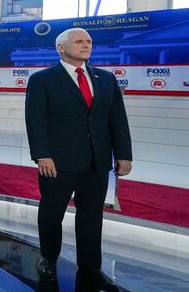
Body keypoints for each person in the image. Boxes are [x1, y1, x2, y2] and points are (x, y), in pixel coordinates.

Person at [25, 28, 132, 291]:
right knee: (51, 214)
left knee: (91, 217)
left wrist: (123, 154)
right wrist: (42, 155)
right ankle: (48, 260)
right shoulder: (43, 79)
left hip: (97, 161)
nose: (86, 45)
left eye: (89, 42)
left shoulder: (106, 79)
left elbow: (117, 119)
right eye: (79, 41)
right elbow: (35, 120)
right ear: (61, 48)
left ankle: (90, 269)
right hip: (57, 162)